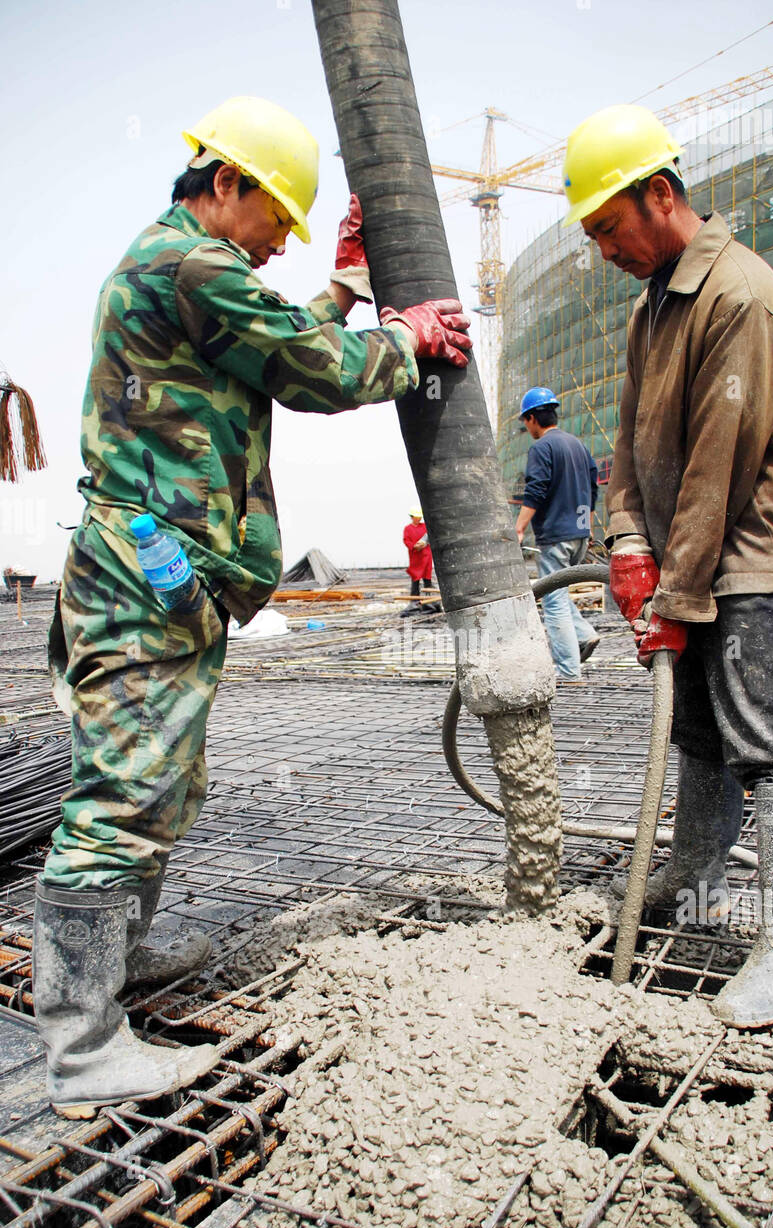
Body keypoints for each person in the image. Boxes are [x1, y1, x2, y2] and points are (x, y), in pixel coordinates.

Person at [35, 95, 471, 1117]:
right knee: (121, 800)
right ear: (227, 184)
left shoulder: (190, 270)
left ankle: (119, 963)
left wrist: (351, 288)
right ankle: (84, 1050)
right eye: (278, 217)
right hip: (146, 582)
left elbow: (274, 337)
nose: (282, 243)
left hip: (164, 580)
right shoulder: (192, 265)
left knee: (162, 785)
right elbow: (307, 369)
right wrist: (404, 341)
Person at [562, 104, 773, 1029]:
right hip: (687, 552)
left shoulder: (742, 296)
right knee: (700, 736)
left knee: (766, 740)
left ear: (662, 195)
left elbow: (720, 464)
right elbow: (632, 447)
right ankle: (695, 876)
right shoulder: (652, 309)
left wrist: (675, 590)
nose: (601, 250)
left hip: (754, 554)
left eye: (607, 227)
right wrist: (627, 541)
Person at [514, 388, 600, 677]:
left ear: (532, 418)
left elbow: (536, 490)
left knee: (552, 602)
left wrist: (519, 527)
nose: (527, 428)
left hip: (556, 536)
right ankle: (585, 633)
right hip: (578, 535)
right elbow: (593, 489)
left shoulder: (542, 448)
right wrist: (586, 527)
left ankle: (569, 673)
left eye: (525, 422)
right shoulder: (578, 445)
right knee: (559, 594)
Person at [400, 506, 440, 615]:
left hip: (426, 556)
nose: (418, 519)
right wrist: (414, 546)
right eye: (416, 517)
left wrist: (423, 545)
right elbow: (406, 541)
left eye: (419, 517)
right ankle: (414, 602)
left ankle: (428, 601)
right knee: (415, 579)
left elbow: (429, 538)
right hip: (415, 557)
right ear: (412, 517)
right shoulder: (408, 529)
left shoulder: (424, 527)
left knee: (427, 579)